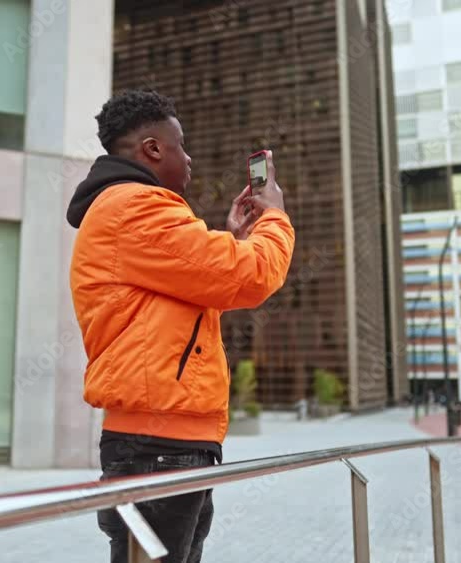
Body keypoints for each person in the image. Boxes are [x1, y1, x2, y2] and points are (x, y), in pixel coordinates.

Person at [67, 90, 295, 563]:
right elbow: (250, 276)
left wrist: (234, 240)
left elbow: (192, 300)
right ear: (153, 149)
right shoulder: (137, 208)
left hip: (164, 441)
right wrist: (274, 216)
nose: (189, 159)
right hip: (159, 445)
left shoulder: (130, 211)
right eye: (181, 146)